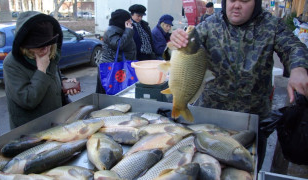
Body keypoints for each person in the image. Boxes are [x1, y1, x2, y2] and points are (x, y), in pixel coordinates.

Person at [170, 0, 308, 170]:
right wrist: (177, 40)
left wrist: (299, 67)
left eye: (244, 1)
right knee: (206, 168)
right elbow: (186, 48)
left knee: (247, 169)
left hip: (252, 120)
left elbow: (293, 47)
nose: (236, 5)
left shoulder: (271, 25)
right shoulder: (210, 24)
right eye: (232, 0)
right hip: (212, 117)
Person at [3, 11, 80, 129]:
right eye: (40, 46)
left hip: (55, 122)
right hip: (30, 130)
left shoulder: (50, 53)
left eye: (49, 44)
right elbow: (27, 100)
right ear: (25, 45)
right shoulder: (12, 63)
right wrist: (41, 69)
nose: (46, 49)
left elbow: (55, 73)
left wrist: (63, 81)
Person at [96, 9, 137, 94]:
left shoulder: (121, 29)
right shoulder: (112, 31)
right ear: (122, 21)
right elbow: (119, 45)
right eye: (128, 20)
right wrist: (128, 31)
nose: (131, 21)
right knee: (109, 91)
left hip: (119, 66)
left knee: (119, 90)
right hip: (109, 68)